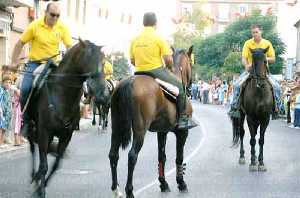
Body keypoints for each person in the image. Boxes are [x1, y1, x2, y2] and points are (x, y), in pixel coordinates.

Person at [8, 2, 73, 137]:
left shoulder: (62, 27)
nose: (55, 18)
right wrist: (14, 62)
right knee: (25, 89)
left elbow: (69, 47)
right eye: (52, 15)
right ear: (46, 13)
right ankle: (25, 122)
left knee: (69, 88)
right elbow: (19, 44)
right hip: (35, 64)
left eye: (58, 16)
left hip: (53, 65)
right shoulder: (34, 26)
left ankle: (68, 119)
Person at [129, 12, 194, 130]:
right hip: (155, 71)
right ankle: (183, 119)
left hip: (138, 72)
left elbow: (132, 60)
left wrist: (141, 65)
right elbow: (168, 59)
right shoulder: (158, 38)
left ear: (143, 23)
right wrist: (170, 68)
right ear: (155, 23)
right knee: (180, 87)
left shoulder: (135, 39)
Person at [228, 24, 281, 118]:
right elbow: (244, 58)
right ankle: (234, 107)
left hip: (264, 71)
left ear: (261, 32)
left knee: (276, 86)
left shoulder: (267, 43)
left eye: (256, 32)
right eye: (253, 32)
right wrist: (246, 65)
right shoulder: (248, 43)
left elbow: (273, 59)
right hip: (250, 70)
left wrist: (264, 58)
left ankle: (277, 109)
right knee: (236, 85)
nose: (254, 34)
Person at [0, 75, 13, 148]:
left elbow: (9, 102)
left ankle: (1, 142)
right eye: (7, 82)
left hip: (7, 113)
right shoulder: (1, 90)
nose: (8, 84)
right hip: (2, 112)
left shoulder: (7, 91)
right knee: (1, 127)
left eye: (10, 82)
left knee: (4, 127)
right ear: (3, 82)